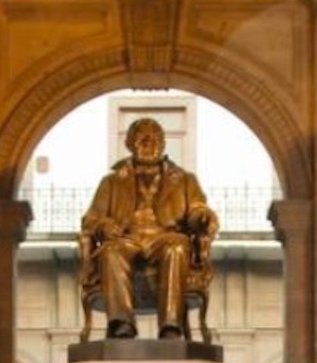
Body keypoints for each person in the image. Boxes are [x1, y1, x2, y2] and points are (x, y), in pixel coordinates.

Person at [78, 117, 219, 340]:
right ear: (130, 144)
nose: (149, 144)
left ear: (162, 144)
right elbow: (91, 218)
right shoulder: (112, 181)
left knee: (177, 247)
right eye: (142, 139)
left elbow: (196, 208)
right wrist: (103, 225)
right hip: (127, 238)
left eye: (155, 140)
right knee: (110, 251)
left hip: (165, 237)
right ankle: (122, 324)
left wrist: (201, 217)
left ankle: (171, 326)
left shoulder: (184, 180)